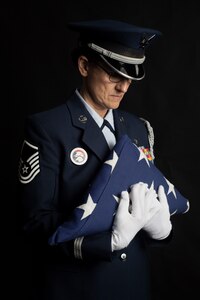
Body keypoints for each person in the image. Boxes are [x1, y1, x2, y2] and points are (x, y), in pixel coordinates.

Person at [17, 19, 173, 300]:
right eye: (114, 74)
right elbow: (35, 223)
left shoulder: (138, 128)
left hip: (134, 284)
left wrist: (159, 230)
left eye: (130, 77)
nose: (123, 87)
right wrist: (107, 242)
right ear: (84, 66)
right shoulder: (48, 129)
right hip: (80, 288)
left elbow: (147, 202)